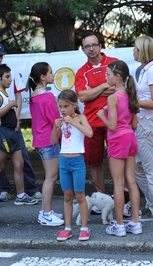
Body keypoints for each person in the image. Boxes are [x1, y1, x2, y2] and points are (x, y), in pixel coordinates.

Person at [0, 42, 42, 205]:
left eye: (1, 55)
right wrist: (8, 107)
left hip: (11, 125)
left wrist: (16, 118)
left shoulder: (10, 72)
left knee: (21, 160)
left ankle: (27, 191)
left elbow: (18, 96)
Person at [96, 60, 142, 236]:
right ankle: (135, 222)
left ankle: (120, 225)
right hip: (130, 138)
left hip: (117, 139)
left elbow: (113, 126)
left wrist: (102, 116)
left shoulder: (113, 98)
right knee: (131, 181)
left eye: (108, 74)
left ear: (118, 77)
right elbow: (135, 124)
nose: (105, 77)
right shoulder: (130, 96)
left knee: (118, 182)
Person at [75, 32, 118, 212]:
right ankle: (101, 201)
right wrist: (103, 87)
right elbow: (82, 95)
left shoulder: (114, 63)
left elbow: (119, 87)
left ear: (100, 45)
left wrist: (93, 92)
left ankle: (120, 198)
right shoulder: (81, 72)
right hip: (91, 123)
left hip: (114, 119)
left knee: (117, 161)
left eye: (94, 45)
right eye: (87, 46)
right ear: (83, 49)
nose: (91, 49)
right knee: (95, 163)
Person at [51, 90, 93, 241]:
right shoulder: (61, 121)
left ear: (74, 105)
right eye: (60, 106)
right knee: (67, 196)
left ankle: (84, 228)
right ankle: (67, 228)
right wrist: (56, 127)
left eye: (65, 106)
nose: (62, 110)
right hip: (64, 161)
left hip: (77, 161)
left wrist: (73, 121)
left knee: (80, 195)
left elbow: (89, 133)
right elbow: (53, 141)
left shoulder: (81, 118)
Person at [132, 36, 153, 221]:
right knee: (138, 168)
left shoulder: (152, 71)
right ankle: (152, 204)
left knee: (151, 169)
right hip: (142, 124)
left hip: (148, 124)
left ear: (143, 50)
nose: (133, 51)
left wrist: (134, 102)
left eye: (135, 48)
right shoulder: (147, 70)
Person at [28, 62, 64, 226]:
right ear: (43, 77)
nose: (53, 74)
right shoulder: (48, 97)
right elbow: (56, 120)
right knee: (51, 177)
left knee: (49, 177)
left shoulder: (34, 96)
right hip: (49, 141)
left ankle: (46, 210)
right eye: (50, 72)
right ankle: (46, 213)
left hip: (40, 141)